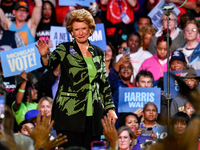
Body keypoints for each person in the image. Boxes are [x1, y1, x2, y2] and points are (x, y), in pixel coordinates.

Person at [35, 9, 117, 149]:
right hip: (69, 114)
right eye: (76, 29)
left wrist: (110, 108)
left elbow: (104, 83)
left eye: (84, 28)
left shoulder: (98, 52)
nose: (80, 32)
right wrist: (44, 56)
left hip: (94, 116)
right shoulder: (64, 49)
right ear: (71, 32)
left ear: (90, 29)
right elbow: (50, 64)